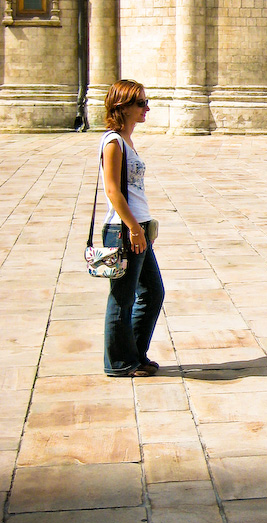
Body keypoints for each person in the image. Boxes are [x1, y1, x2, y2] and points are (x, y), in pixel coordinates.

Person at [100, 80, 164, 377]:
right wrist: (135, 228)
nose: (146, 108)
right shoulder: (113, 142)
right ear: (121, 107)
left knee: (153, 293)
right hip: (124, 229)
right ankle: (118, 363)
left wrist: (145, 225)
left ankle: (135, 354)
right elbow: (113, 190)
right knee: (122, 298)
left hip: (138, 226)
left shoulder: (127, 141)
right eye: (140, 103)